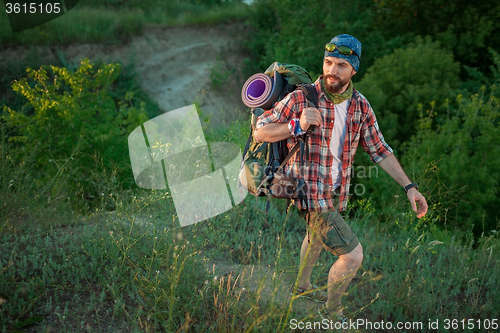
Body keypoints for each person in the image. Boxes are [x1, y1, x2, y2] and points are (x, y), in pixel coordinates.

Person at [253, 34, 428, 320]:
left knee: (316, 237)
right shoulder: (303, 97)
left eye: (341, 65)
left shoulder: (360, 106)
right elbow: (260, 130)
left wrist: (409, 187)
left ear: (354, 69)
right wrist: (296, 124)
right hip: (307, 190)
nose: (332, 70)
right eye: (328, 62)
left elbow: (380, 150)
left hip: (336, 190)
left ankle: (302, 285)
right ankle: (333, 313)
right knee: (352, 256)